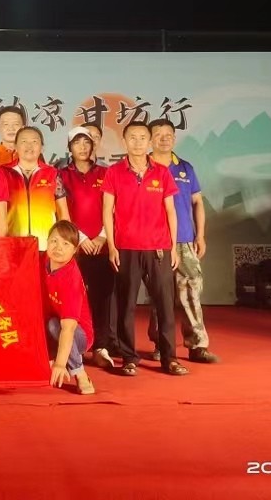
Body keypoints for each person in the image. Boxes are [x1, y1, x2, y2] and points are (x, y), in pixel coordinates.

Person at [97, 120, 188, 377]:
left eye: (142, 138)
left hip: (158, 248)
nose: (137, 142)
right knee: (126, 305)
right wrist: (112, 246)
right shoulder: (114, 172)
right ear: (124, 141)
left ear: (149, 142)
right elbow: (107, 211)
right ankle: (129, 358)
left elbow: (171, 211)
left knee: (165, 305)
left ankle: (170, 358)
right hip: (126, 248)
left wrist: (173, 247)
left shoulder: (161, 172)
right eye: (132, 138)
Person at [144, 118, 219, 364]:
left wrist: (200, 235)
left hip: (185, 241)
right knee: (160, 295)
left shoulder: (185, 168)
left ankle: (197, 345)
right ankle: (161, 344)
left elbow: (197, 202)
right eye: (158, 134)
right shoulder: (143, 167)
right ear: (150, 139)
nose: (164, 138)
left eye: (169, 134)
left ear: (174, 138)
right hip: (156, 242)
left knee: (191, 293)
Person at [58, 127, 113, 357]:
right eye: (77, 143)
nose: (82, 147)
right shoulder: (61, 175)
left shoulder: (106, 173)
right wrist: (80, 238)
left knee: (103, 297)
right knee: (76, 298)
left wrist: (102, 236)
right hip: (75, 248)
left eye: (86, 142)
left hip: (102, 246)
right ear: (69, 148)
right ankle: (78, 345)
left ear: (93, 146)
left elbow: (113, 208)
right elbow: (61, 212)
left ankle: (102, 344)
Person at [43, 220, 96, 395]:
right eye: (54, 241)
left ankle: (80, 373)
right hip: (52, 327)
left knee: (55, 325)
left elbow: (68, 329)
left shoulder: (71, 279)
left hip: (79, 335)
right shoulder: (44, 260)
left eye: (66, 244)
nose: (58, 247)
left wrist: (59, 364)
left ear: (75, 250)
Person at [2, 126, 68, 251]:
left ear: (42, 147)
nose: (29, 146)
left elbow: (63, 213)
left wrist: (65, 244)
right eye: (24, 141)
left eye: (34, 141)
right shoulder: (3, 173)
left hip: (46, 246)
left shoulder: (52, 173)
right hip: (12, 245)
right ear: (15, 146)